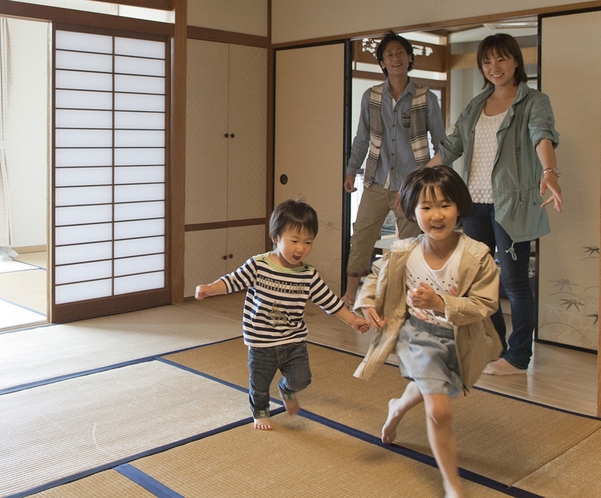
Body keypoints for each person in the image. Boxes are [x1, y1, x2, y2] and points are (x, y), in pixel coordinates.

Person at [353, 166, 502, 498]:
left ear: (459, 206)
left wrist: (441, 302)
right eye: (426, 207)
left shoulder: (477, 256)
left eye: (445, 205)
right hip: (416, 336)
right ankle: (452, 485)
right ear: (411, 210)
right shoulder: (404, 251)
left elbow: (484, 304)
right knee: (439, 410)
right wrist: (367, 303)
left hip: (458, 339)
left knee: (429, 390)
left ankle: (397, 407)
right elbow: (375, 278)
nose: (437, 215)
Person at [426, 33, 562, 376]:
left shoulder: (534, 101)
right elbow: (453, 144)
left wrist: (549, 170)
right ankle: (497, 347)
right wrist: (422, 177)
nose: (494, 67)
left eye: (501, 59)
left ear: (516, 61)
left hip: (512, 205)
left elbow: (541, 134)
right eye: (487, 62)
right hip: (475, 205)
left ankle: (519, 357)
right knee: (480, 282)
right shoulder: (476, 104)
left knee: (515, 283)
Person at [195, 199, 370, 430]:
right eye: (295, 241)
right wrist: (210, 288)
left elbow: (330, 302)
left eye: (308, 242)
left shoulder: (308, 275)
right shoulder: (258, 265)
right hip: (261, 342)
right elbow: (232, 281)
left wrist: (353, 320)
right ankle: (259, 411)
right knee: (259, 383)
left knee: (302, 378)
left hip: (293, 341)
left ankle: (286, 389)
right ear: (276, 237)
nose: (301, 248)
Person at [342, 30, 447, 307]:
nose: (395, 58)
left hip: (412, 187)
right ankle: (351, 294)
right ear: (382, 63)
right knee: (361, 237)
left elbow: (442, 144)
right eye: (389, 54)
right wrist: (352, 170)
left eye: (400, 53)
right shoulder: (372, 96)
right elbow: (362, 137)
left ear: (410, 58)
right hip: (376, 181)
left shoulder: (426, 97)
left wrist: (432, 182)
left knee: (410, 245)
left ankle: (405, 297)